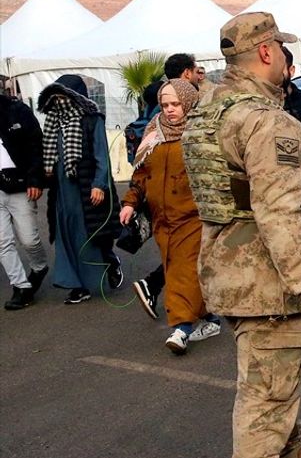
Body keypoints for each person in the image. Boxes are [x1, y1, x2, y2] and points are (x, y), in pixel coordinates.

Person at [183, 12, 301, 458]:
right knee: (267, 394)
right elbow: (279, 213)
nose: (286, 60)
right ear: (267, 52)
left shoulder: (209, 107)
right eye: (282, 50)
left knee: (279, 381)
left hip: (230, 267)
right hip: (267, 278)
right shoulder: (267, 121)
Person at [120, 79, 221, 354]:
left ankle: (181, 329)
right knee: (180, 271)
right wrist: (130, 203)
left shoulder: (200, 132)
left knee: (181, 271)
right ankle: (210, 319)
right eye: (165, 105)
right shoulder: (153, 133)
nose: (170, 110)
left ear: (188, 102)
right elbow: (141, 174)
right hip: (161, 221)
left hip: (193, 217)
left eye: (176, 104)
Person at [37, 75, 122, 304]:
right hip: (61, 191)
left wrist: (99, 185)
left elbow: (101, 155)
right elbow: (48, 156)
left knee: (87, 234)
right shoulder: (53, 122)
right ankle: (75, 284)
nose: (58, 100)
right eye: (54, 96)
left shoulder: (91, 119)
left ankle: (104, 266)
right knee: (65, 235)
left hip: (85, 187)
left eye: (62, 95)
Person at [0, 91, 50, 310]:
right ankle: (21, 286)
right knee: (3, 243)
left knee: (29, 239)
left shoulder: (17, 110)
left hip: (20, 185)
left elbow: (35, 146)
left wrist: (35, 180)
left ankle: (39, 267)